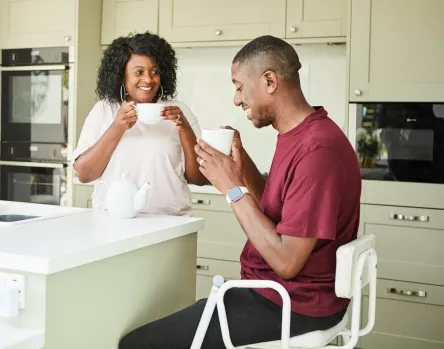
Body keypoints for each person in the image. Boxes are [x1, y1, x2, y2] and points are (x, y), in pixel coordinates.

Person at [119, 35, 362, 348]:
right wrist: (242, 161)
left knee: (136, 344)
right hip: (276, 293)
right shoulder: (300, 133)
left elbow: (287, 262)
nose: (236, 99)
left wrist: (231, 188)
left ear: (270, 81)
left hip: (290, 305)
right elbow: (277, 210)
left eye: (238, 86)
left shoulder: (317, 150)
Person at [73, 32, 207, 216]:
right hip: (113, 221)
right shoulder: (105, 110)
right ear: (122, 76)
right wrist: (117, 127)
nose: (148, 79)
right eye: (139, 72)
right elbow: (84, 174)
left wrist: (185, 129)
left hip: (171, 221)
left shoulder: (178, 111)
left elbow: (198, 178)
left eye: (155, 71)